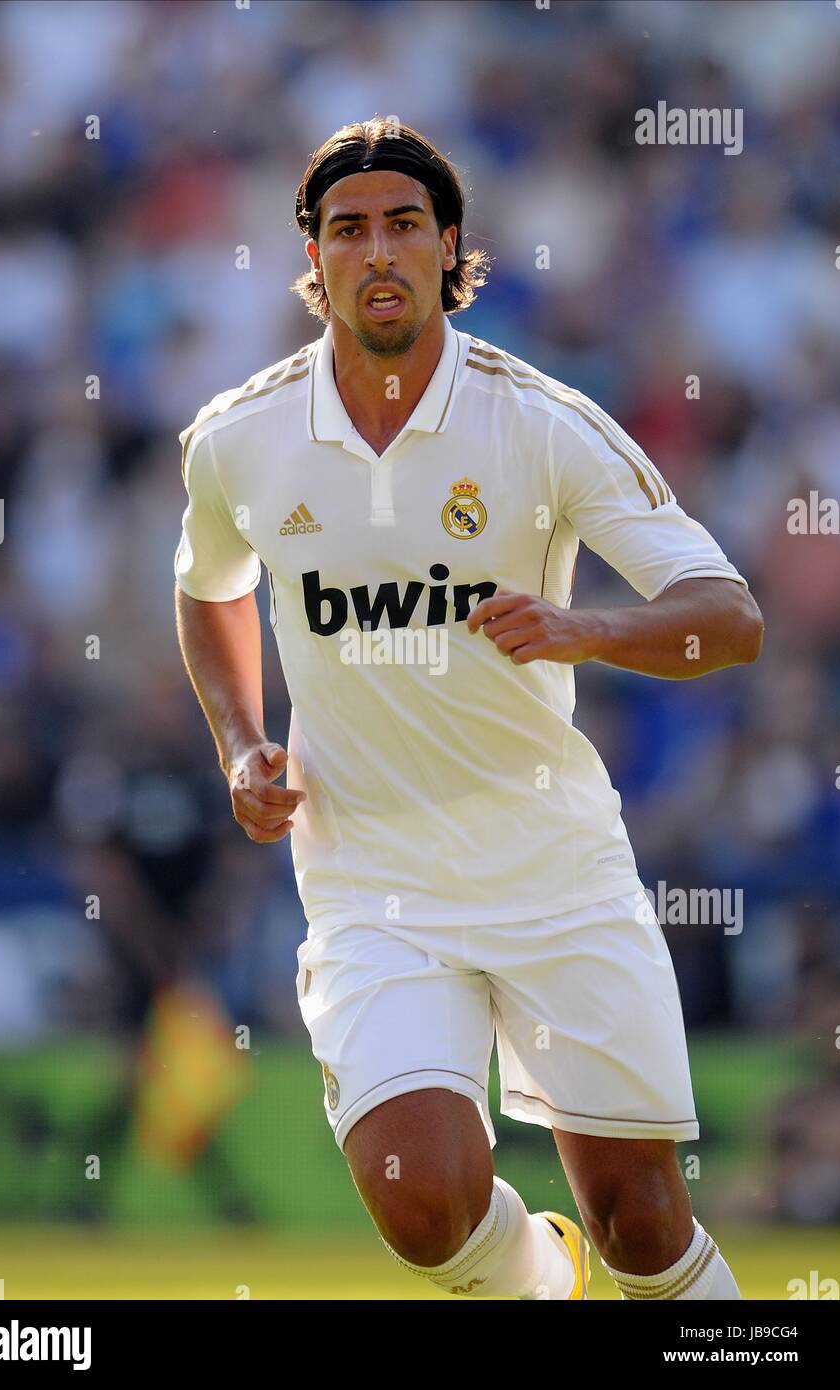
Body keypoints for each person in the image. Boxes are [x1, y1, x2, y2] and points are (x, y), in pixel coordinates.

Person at [174, 117, 763, 1300]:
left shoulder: (539, 420)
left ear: (451, 250)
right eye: (349, 230)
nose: (378, 250)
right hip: (370, 883)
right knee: (421, 1204)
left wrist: (586, 627)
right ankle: (539, 1277)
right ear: (314, 257)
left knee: (640, 1225)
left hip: (550, 865)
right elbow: (208, 590)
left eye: (405, 226)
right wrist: (242, 742)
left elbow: (727, 617)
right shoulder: (240, 438)